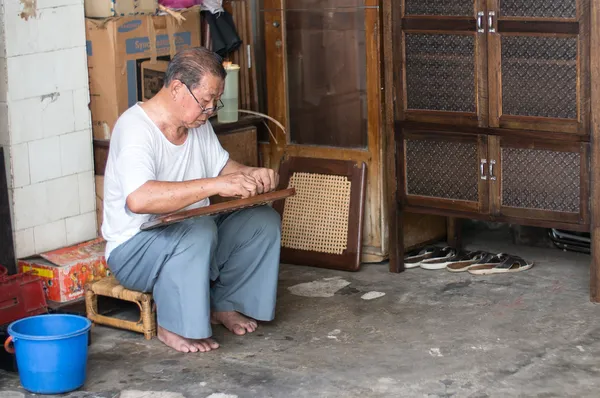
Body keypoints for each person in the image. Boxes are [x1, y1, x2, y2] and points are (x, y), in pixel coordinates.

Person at [101, 47, 282, 353]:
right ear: (176, 88)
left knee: (262, 221)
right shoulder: (135, 129)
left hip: (193, 236)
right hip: (134, 252)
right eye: (205, 101)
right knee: (199, 230)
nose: (211, 109)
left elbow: (222, 168)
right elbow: (139, 199)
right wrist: (216, 184)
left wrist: (250, 174)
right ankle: (172, 325)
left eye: (215, 101)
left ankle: (225, 303)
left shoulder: (197, 124)